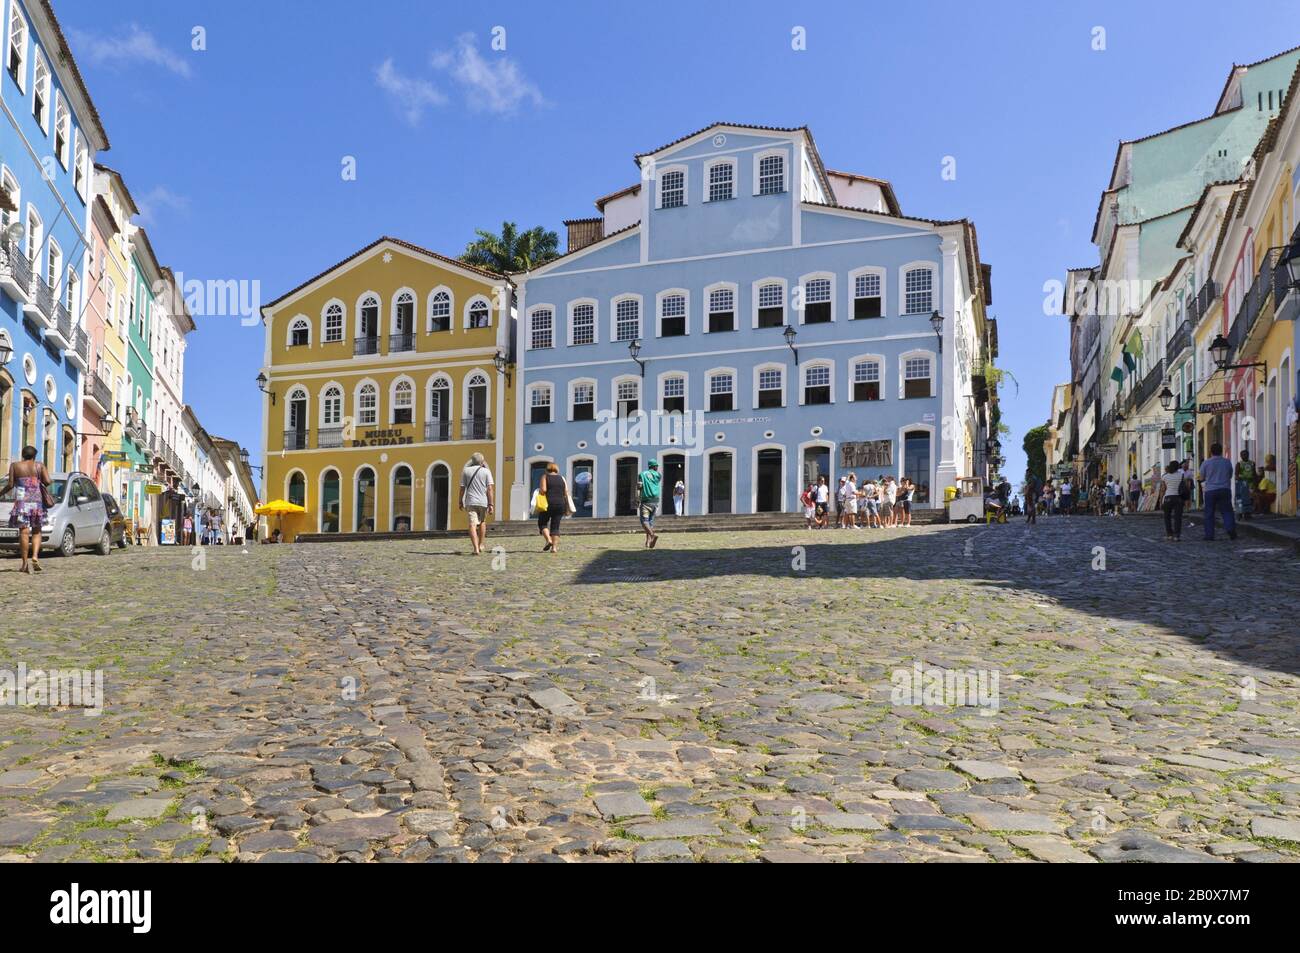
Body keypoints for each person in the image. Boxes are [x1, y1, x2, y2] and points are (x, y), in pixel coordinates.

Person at [2, 447, 51, 574]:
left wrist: (0, 493)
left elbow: (10, 484)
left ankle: (24, 563)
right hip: (36, 502)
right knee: (37, 531)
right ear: (34, 456)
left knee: (23, 532)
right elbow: (48, 481)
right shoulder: (39, 465)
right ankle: (35, 556)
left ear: (23, 455)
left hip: (22, 502)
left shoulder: (15, 466)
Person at [1199, 443, 1237, 541]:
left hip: (1210, 490)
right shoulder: (1227, 462)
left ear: (1210, 451)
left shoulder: (1206, 463)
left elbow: (1202, 477)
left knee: (1209, 513)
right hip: (1224, 489)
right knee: (1227, 511)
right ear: (1221, 451)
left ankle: (1209, 535)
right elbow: (1230, 475)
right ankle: (1230, 528)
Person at [459, 451, 495, 555]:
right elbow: (490, 489)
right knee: (482, 522)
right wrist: (491, 504)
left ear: (472, 461)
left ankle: (475, 549)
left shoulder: (466, 471)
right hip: (483, 502)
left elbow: (462, 488)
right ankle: (481, 544)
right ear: (482, 461)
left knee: (472, 524)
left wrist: (460, 501)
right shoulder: (486, 471)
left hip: (470, 501)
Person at [537, 462, 569, 553]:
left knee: (542, 523)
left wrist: (538, 491)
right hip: (560, 504)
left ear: (547, 469)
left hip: (548, 504)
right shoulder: (562, 478)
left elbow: (543, 490)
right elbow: (566, 491)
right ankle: (554, 548)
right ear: (556, 469)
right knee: (555, 526)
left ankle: (548, 540)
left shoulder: (545, 477)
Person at [1159, 460, 1187, 541]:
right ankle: (1177, 536)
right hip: (1178, 498)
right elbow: (1184, 487)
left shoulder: (1165, 476)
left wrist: (1161, 501)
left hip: (1168, 498)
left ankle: (1169, 535)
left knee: (1167, 517)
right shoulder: (1181, 475)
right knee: (1178, 518)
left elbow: (1163, 490)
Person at [637, 458, 661, 548]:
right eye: (656, 466)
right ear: (654, 466)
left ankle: (652, 535)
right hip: (655, 501)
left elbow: (639, 487)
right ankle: (648, 542)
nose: (657, 468)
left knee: (644, 522)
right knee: (650, 522)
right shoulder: (658, 475)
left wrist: (637, 499)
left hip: (646, 501)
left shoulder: (641, 475)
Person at [1234, 450, 1257, 520]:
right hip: (1242, 484)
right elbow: (1236, 475)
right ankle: (1240, 512)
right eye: (1243, 455)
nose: (1245, 456)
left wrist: (1255, 481)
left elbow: (1254, 473)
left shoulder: (1252, 463)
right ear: (1241, 456)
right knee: (1241, 499)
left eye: (1246, 454)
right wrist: (1240, 478)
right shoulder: (1239, 464)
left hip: (1250, 484)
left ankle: (1248, 513)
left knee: (1250, 499)